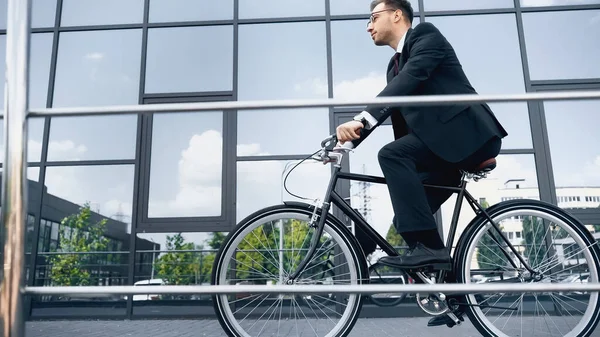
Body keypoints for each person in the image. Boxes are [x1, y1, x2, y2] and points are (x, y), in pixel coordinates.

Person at [335, 0, 508, 327]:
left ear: (396, 14)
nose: (368, 26)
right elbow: (399, 116)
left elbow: (409, 82)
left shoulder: (426, 36)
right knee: (407, 218)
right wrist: (348, 139)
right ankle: (458, 299)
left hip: (467, 136)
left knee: (391, 155)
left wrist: (361, 118)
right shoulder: (393, 66)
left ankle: (434, 254)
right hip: (441, 148)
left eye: (373, 17)